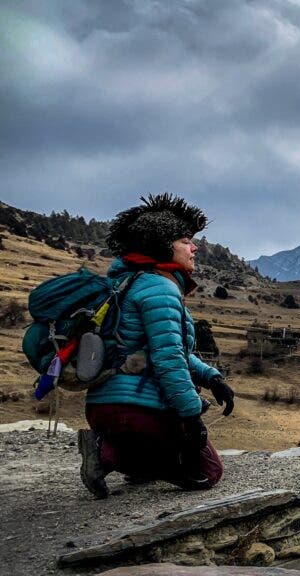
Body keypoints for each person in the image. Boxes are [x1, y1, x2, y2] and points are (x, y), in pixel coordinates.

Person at [77, 194, 235, 498]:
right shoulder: (160, 288)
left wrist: (212, 378)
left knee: (158, 465)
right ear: (162, 245)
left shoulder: (126, 282)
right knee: (207, 472)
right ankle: (106, 453)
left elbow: (161, 350)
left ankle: (120, 451)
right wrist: (191, 417)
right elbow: (169, 359)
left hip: (102, 407)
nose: (194, 247)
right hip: (136, 409)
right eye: (186, 240)